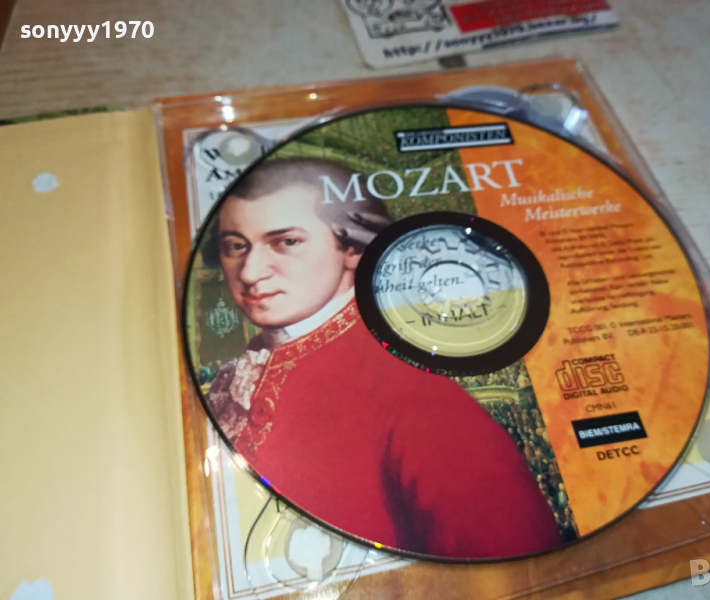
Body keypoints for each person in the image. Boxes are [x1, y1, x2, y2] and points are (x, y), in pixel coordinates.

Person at [200, 157, 561, 559]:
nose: (250, 273)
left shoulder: (420, 401)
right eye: (236, 246)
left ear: (353, 248)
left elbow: (513, 566)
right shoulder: (234, 375)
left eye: (286, 243)